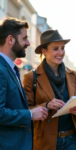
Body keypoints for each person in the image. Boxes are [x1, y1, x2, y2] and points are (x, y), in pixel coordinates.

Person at [23, 29, 76, 150]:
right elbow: (26, 109)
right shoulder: (30, 77)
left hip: (71, 139)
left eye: (62, 48)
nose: (61, 52)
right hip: (45, 141)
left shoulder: (73, 75)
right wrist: (47, 105)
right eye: (55, 49)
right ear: (44, 51)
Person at [0, 18, 48, 150]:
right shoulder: (1, 69)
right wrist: (30, 114)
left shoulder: (9, 68)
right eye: (24, 38)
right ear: (10, 40)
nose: (28, 43)